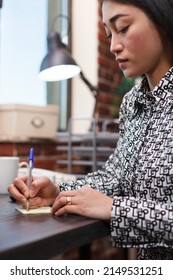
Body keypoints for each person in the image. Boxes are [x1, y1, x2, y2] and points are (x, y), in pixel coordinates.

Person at [8, 0, 173, 260]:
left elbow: (114, 201)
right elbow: (115, 178)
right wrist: (57, 191)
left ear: (164, 19)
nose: (113, 46)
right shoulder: (133, 102)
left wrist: (115, 209)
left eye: (123, 27)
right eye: (109, 34)